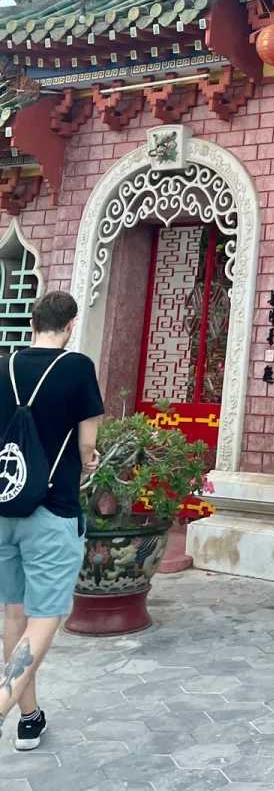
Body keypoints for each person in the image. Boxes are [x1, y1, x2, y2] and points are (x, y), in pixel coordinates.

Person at [0, 292, 104, 751]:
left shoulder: (3, 367)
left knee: (14, 615)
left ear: (32, 321)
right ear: (71, 325)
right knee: (44, 619)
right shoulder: (76, 367)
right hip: (51, 510)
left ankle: (30, 718)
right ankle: (4, 704)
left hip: (5, 507)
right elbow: (86, 448)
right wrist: (90, 461)